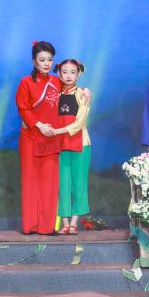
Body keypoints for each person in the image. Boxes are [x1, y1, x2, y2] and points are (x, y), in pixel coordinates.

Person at [15, 41, 63, 235]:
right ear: (33, 61)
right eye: (42, 60)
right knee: (30, 182)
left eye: (49, 60)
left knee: (50, 184)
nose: (46, 63)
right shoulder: (26, 82)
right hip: (31, 137)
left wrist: (86, 91)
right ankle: (30, 226)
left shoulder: (57, 82)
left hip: (51, 138)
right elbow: (23, 108)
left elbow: (71, 92)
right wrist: (39, 125)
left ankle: (47, 227)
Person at [51, 59, 91, 235]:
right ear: (59, 74)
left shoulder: (83, 94)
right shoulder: (54, 95)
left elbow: (79, 122)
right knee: (62, 184)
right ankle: (65, 223)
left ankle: (74, 222)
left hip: (81, 144)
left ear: (79, 74)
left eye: (72, 72)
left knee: (79, 184)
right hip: (59, 145)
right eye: (64, 72)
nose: (68, 76)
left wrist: (57, 131)